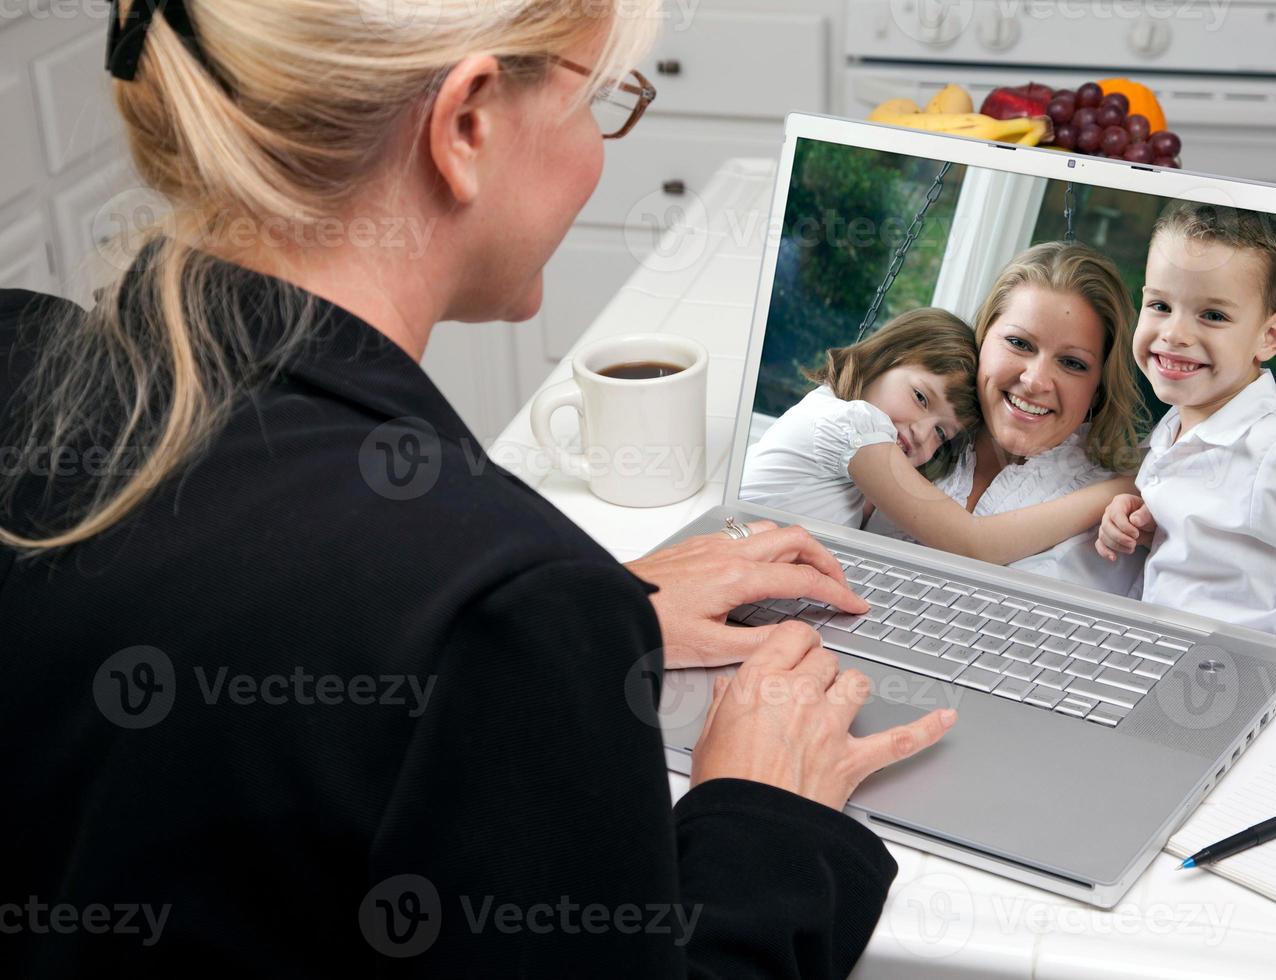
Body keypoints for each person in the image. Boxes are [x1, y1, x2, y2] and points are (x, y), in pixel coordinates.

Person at [0, 2, 955, 975]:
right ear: (466, 125)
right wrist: (768, 814)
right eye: (598, 104)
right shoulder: (502, 607)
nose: (597, 152)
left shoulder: (17, 352)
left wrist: (552, 632)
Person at [1096, 200, 1276, 636]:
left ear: (1269, 336)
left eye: (1213, 315)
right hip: (1164, 662)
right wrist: (1149, 524)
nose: (1174, 334)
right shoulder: (1171, 432)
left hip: (1242, 679)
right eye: (1160, 306)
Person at [863, 242, 1145, 588]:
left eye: (1072, 363)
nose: (1035, 380)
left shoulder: (1120, 517)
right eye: (1019, 343)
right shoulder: (907, 427)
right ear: (983, 338)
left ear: (1099, 386)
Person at [740, 308, 981, 528]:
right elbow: (969, 537)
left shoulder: (858, 478)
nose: (922, 433)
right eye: (920, 397)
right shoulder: (849, 422)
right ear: (885, 358)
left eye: (941, 432)